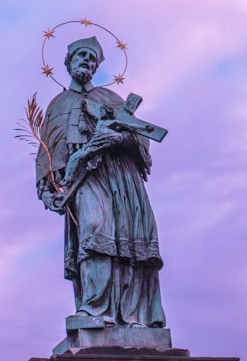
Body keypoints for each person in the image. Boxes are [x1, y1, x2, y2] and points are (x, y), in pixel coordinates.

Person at [35, 36, 165, 328]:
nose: (87, 62)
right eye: (82, 56)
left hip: (120, 176)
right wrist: (46, 192)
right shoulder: (57, 105)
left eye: (92, 59)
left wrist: (118, 137)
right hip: (82, 179)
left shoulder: (111, 100)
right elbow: (45, 153)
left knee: (130, 239)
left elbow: (142, 137)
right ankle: (95, 309)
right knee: (94, 227)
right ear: (68, 62)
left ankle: (134, 316)